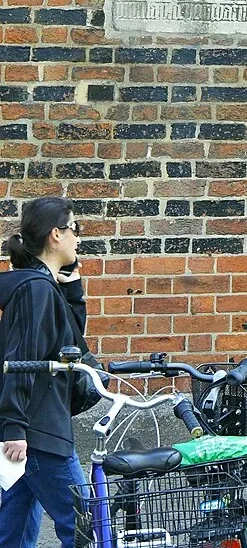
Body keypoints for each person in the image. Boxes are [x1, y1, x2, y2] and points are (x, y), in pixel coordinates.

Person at [0, 199, 92, 548]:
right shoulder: (36, 291)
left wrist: (72, 290)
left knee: (15, 532)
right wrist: (14, 427)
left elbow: (69, 342)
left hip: (35, 427)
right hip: (39, 431)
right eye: (74, 229)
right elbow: (21, 359)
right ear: (56, 234)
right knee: (86, 527)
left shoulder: (42, 288)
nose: (78, 240)